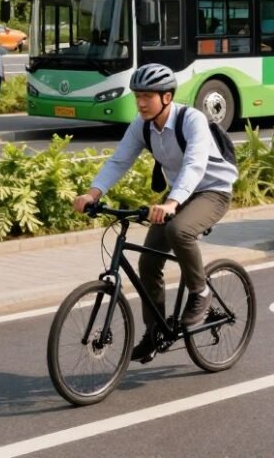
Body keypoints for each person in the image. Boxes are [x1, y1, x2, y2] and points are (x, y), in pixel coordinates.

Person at [71, 63, 238, 362]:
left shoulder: (192, 120)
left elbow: (195, 165)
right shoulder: (143, 125)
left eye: (148, 96)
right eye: (138, 96)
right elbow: (119, 161)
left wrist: (172, 204)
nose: (141, 102)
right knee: (148, 263)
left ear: (167, 97)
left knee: (179, 230)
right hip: (178, 193)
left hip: (213, 190)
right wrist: (93, 193)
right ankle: (155, 332)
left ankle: (200, 293)